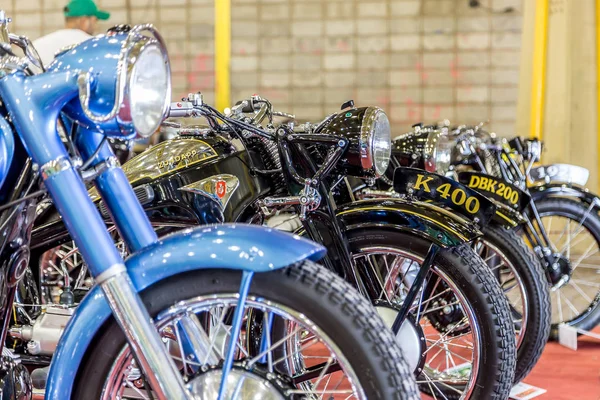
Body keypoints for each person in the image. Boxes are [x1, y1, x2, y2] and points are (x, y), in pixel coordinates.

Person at [32, 0, 110, 67]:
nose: (96, 26)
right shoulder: (94, 45)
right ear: (84, 21)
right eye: (95, 21)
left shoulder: (37, 45)